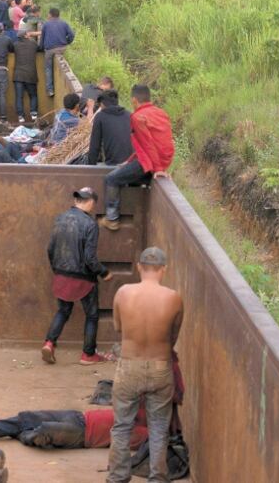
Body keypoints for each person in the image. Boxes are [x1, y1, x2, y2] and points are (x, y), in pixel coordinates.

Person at [107, 247, 183, 483]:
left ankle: (118, 477)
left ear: (139, 267)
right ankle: (157, 478)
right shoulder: (174, 298)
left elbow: (119, 329)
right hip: (161, 367)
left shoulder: (123, 293)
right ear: (164, 270)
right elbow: (173, 337)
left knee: (121, 426)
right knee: (159, 428)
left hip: (129, 366)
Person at [42, 188, 113, 366]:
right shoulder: (90, 224)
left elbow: (50, 249)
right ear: (91, 203)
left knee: (63, 311)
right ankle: (88, 354)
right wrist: (103, 272)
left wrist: (57, 270)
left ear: (76, 201)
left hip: (61, 274)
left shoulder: (60, 219)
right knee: (92, 315)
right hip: (83, 278)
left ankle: (49, 343)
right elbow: (90, 258)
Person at [100, 85, 174, 231]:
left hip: (150, 162)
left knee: (111, 179)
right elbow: (155, 142)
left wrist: (158, 169)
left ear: (134, 100)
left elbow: (148, 144)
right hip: (163, 159)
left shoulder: (137, 117)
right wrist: (128, 162)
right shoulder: (161, 113)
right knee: (128, 175)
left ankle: (112, 219)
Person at [0, 404, 148, 451]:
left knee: (42, 431)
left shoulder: (144, 433)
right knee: (26, 417)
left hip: (81, 435)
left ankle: (21, 435)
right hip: (79, 417)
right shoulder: (139, 409)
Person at [88, 90, 133, 166]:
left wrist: (90, 167)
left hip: (113, 165)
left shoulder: (100, 116)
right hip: (131, 164)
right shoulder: (129, 115)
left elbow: (94, 147)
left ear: (102, 103)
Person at [40, 8, 75, 97]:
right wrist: (67, 42)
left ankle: (50, 90)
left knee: (48, 68)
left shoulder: (46, 24)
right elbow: (72, 34)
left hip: (50, 50)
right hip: (62, 48)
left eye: (48, 14)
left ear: (51, 15)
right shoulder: (64, 23)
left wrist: (41, 48)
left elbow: (42, 39)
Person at [11, 28, 41, 123]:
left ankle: (20, 116)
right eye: (28, 33)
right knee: (33, 95)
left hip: (18, 75)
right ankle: (33, 114)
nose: (29, 34)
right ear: (25, 35)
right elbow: (41, 48)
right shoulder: (33, 43)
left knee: (19, 97)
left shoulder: (15, 45)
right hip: (30, 75)